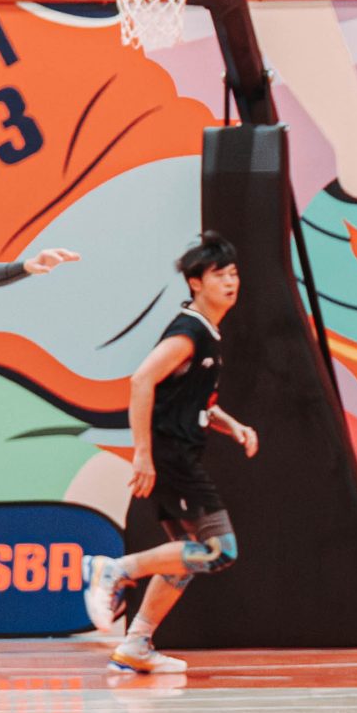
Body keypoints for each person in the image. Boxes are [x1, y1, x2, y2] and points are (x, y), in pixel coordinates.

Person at [85, 233, 257, 677]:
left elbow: (192, 400)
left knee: (184, 557)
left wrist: (232, 425)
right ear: (196, 283)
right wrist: (142, 454)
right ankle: (115, 570)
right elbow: (142, 380)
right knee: (219, 551)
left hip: (177, 452)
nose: (231, 282)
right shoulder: (190, 332)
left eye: (234, 274)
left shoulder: (209, 333)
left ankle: (136, 644)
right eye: (220, 275)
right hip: (172, 456)